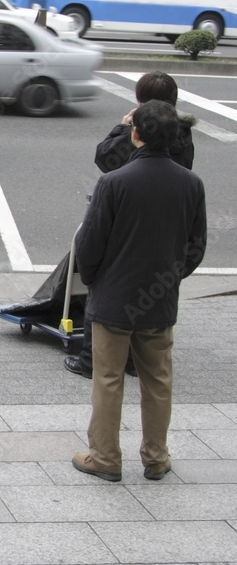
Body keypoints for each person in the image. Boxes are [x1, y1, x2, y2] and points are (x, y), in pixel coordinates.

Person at [71, 100, 206, 484]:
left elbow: (91, 243)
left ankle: (105, 457)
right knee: (158, 380)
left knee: (109, 379)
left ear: (136, 134)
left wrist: (96, 280)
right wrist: (171, 277)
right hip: (160, 300)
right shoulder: (191, 184)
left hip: (114, 298)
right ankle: (155, 457)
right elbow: (196, 246)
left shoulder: (114, 182)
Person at [64, 70, 197, 380]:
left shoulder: (141, 132)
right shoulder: (182, 134)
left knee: (106, 292)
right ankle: (136, 361)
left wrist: (122, 127)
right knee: (148, 295)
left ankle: (90, 359)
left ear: (140, 101)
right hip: (164, 234)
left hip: (126, 226)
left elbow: (106, 159)